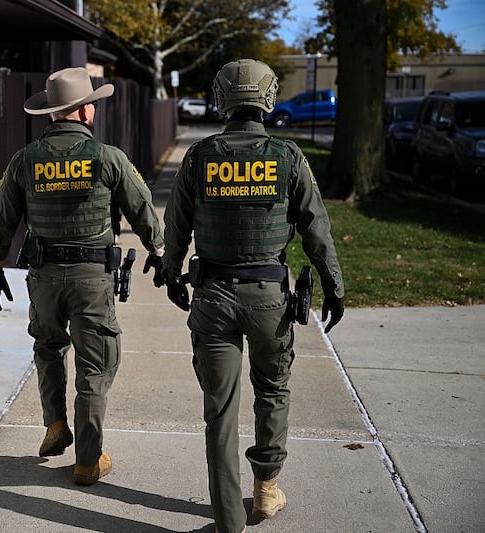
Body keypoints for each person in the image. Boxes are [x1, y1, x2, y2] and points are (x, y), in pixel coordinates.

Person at [161, 59, 345, 533]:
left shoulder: (200, 157)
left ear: (221, 99)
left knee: (219, 413)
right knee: (273, 390)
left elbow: (176, 227)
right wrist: (334, 287)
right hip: (269, 300)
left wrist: (173, 274)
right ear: (268, 98)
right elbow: (316, 230)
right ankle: (266, 490)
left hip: (213, 298)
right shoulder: (288, 157)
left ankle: (227, 522)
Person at [0, 67, 165, 486]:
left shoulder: (24, 160)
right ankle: (87, 459)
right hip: (92, 279)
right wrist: (159, 253)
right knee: (94, 366)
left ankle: (53, 424)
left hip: (43, 276)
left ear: (51, 113)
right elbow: (142, 208)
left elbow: (1, 219)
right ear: (85, 111)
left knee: (48, 347)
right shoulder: (108, 158)